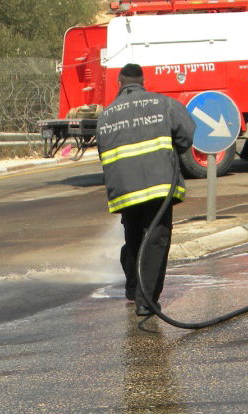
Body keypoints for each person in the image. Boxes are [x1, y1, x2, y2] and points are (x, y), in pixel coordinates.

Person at [95, 63, 196, 317]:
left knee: (134, 238)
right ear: (143, 82)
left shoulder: (105, 116)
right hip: (158, 186)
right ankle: (146, 301)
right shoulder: (164, 104)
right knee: (156, 240)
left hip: (124, 190)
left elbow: (102, 152)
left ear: (119, 83)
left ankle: (133, 287)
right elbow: (187, 135)